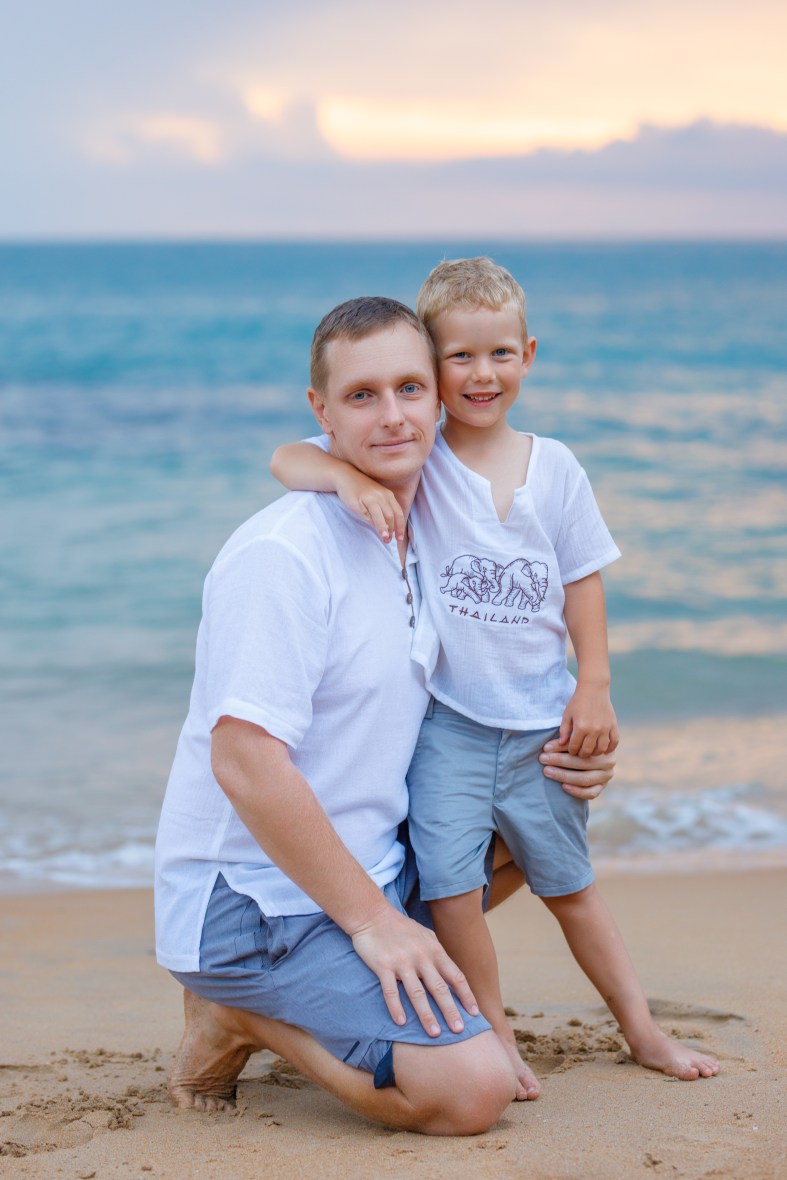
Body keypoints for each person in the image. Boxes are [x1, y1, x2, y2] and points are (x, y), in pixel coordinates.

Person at [155, 295, 616, 1135]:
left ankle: (341, 961)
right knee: (470, 1092)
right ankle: (237, 1014)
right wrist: (373, 925)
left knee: (535, 822)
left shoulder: (422, 525)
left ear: (440, 397)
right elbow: (243, 763)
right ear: (321, 410)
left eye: (409, 387)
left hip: (372, 863)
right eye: (361, 396)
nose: (393, 415)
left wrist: (573, 749)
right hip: (256, 902)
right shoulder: (284, 555)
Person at [270, 258, 720, 1101]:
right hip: (451, 727)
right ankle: (496, 1037)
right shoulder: (421, 461)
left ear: (528, 355)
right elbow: (287, 457)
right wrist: (342, 476)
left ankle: (641, 1028)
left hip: (543, 726)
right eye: (460, 357)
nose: (482, 375)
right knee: (453, 893)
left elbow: (581, 578)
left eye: (500, 354)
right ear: (432, 367)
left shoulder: (556, 467)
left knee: (570, 887)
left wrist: (594, 685)